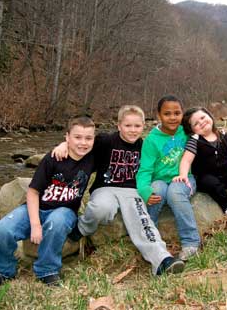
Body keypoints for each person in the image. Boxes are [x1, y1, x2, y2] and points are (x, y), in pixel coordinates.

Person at [52, 105, 185, 276]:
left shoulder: (144, 146)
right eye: (128, 126)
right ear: (119, 125)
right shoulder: (105, 141)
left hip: (131, 191)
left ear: (143, 126)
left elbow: (157, 165)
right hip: (105, 188)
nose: (132, 130)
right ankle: (82, 229)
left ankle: (161, 260)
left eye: (137, 126)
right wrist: (65, 144)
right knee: (102, 209)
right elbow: (83, 142)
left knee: (142, 220)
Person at [0, 117, 96, 289]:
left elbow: (115, 137)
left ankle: (47, 270)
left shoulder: (92, 157)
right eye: (77, 137)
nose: (83, 143)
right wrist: (35, 224)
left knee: (57, 222)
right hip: (37, 208)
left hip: (64, 210)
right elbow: (32, 192)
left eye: (88, 138)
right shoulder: (52, 159)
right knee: (3, 229)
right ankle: (2, 271)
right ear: (67, 137)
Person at [136, 95, 200, 261]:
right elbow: (144, 170)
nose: (172, 117)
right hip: (159, 180)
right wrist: (145, 191)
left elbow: (206, 131)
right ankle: (152, 242)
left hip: (185, 179)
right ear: (159, 115)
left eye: (177, 113)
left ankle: (191, 242)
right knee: (156, 190)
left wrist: (220, 132)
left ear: (182, 114)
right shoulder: (151, 140)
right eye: (167, 114)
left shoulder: (186, 131)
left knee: (175, 193)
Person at [173, 107, 227, 216]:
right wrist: (183, 174)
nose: (202, 122)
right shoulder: (195, 141)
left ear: (209, 116)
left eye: (203, 117)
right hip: (206, 178)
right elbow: (186, 160)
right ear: (192, 130)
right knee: (210, 182)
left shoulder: (224, 135)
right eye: (196, 123)